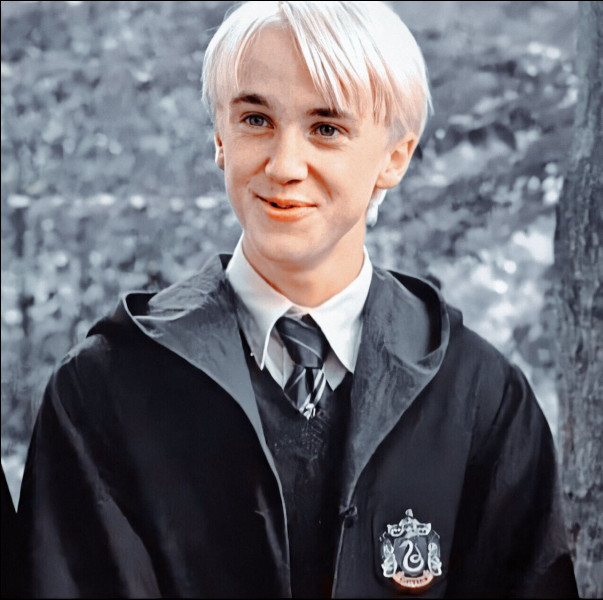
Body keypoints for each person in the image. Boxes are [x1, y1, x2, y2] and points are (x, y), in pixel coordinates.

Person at [18, 1, 578, 598]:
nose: (284, 165)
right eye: (256, 119)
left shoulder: (479, 397)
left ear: (394, 157)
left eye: (326, 128)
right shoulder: (103, 389)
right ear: (220, 138)